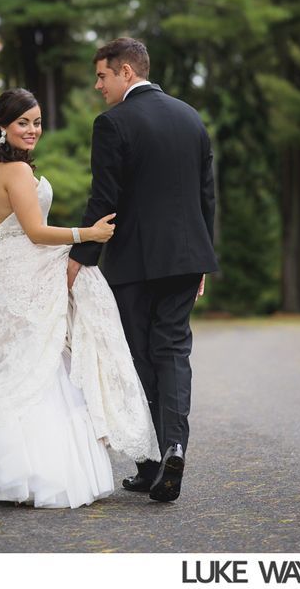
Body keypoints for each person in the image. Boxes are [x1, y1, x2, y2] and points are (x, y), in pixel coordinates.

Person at [0, 88, 160, 509]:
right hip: (25, 272)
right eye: (23, 122)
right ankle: (31, 472)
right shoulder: (17, 172)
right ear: (2, 125)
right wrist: (87, 234)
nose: (32, 130)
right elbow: (38, 233)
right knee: (35, 367)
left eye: (37, 122)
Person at [67, 38, 218, 503]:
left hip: (134, 261)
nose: (98, 86)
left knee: (139, 357)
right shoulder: (191, 117)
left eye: (102, 76)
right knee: (172, 351)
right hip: (186, 258)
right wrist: (202, 259)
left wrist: (80, 259)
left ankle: (152, 463)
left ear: (126, 72)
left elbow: (104, 199)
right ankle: (173, 447)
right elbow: (205, 195)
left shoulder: (113, 123)